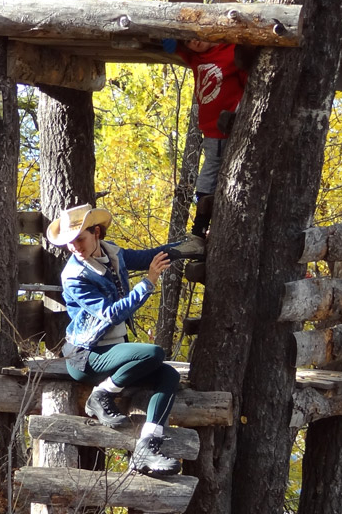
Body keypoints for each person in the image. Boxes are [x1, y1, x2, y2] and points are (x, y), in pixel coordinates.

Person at [48, 202, 194, 476]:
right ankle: (101, 395)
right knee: (152, 354)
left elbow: (151, 255)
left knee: (169, 377)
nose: (75, 247)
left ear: (97, 232)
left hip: (114, 353)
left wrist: (188, 246)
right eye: (69, 243)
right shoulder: (75, 276)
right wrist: (148, 282)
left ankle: (147, 448)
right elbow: (111, 314)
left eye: (80, 238)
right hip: (87, 357)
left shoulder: (112, 253)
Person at [167, 39, 252, 238]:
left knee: (212, 172)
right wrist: (172, 42)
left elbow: (248, 79)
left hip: (226, 125)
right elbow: (180, 47)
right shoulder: (196, 56)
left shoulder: (231, 51)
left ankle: (201, 225)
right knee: (210, 173)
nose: (194, 42)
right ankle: (203, 221)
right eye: (188, 41)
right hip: (210, 129)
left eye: (198, 36)